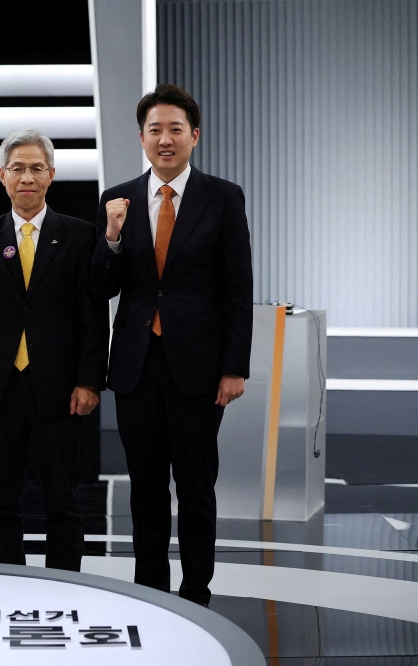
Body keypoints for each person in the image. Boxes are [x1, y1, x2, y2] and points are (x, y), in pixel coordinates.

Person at [89, 84, 253, 606]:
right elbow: (103, 288)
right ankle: (151, 590)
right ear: (141, 137)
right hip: (137, 367)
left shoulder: (222, 197)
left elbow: (237, 288)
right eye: (155, 130)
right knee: (146, 488)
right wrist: (111, 237)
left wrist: (234, 367)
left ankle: (197, 591)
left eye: (175, 130)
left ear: (194, 136)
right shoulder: (116, 199)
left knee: (197, 486)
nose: (165, 139)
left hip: (201, 369)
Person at [0, 129, 109, 572]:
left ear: (51, 175)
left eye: (35, 168)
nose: (26, 177)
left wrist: (89, 380)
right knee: (1, 498)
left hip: (60, 386)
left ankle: (65, 584)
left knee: (64, 499)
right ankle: (9, 585)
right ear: (2, 176)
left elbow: (92, 314)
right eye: (17, 169)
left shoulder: (80, 234)